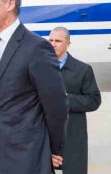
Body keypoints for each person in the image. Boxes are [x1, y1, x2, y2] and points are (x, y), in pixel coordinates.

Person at [0, 0, 69, 174]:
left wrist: (54, 150)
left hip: (27, 158)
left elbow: (56, 105)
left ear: (10, 3)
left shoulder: (37, 48)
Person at [49, 26, 101, 174]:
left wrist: (64, 99)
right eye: (50, 40)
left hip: (73, 138)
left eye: (58, 41)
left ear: (68, 44)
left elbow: (94, 100)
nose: (53, 44)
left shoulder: (82, 69)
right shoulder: (40, 67)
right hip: (45, 138)